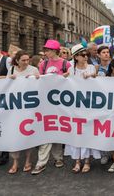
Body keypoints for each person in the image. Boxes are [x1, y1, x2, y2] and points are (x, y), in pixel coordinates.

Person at [31, 39, 71, 175]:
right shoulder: (43, 64)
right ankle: (41, 162)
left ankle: (58, 157)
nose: (45, 52)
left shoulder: (66, 63)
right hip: (46, 102)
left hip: (61, 103)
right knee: (46, 131)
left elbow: (72, 81)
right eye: (45, 50)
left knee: (57, 130)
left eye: (47, 50)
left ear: (54, 51)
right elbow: (40, 79)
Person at [63, 44, 99, 173]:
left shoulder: (91, 67)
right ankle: (77, 161)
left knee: (87, 132)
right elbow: (61, 80)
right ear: (76, 57)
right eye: (83, 55)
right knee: (75, 133)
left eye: (86, 55)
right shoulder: (71, 69)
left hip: (88, 106)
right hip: (75, 107)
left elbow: (97, 79)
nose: (85, 57)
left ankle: (87, 161)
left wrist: (90, 77)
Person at [7, 50, 40, 174]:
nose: (26, 62)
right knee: (14, 134)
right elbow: (5, 87)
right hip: (15, 107)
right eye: (23, 60)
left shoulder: (33, 70)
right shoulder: (11, 70)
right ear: (17, 60)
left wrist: (36, 79)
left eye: (28, 60)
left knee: (28, 133)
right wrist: (10, 79)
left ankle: (28, 160)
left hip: (29, 107)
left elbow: (39, 86)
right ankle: (15, 161)